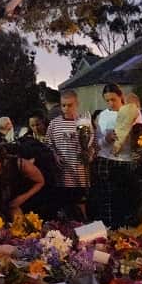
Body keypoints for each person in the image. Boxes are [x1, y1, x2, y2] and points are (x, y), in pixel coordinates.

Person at [92, 84, 140, 228]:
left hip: (127, 161)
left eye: (113, 100)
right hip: (106, 160)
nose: (111, 104)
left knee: (126, 200)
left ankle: (124, 231)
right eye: (107, 101)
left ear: (121, 97)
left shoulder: (134, 112)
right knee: (107, 200)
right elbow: (97, 142)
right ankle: (107, 229)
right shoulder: (103, 116)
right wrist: (106, 139)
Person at [46, 90, 92, 220]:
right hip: (63, 172)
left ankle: (83, 224)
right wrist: (55, 156)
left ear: (77, 104)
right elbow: (48, 144)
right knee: (65, 204)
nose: (66, 108)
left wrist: (88, 153)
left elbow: (91, 144)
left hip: (80, 171)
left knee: (81, 202)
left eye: (70, 105)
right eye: (63, 105)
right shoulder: (54, 124)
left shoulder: (85, 122)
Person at [0, 144, 46, 218]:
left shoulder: (22, 164)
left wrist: (23, 197)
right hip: (11, 199)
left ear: (3, 162)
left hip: (29, 195)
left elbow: (40, 182)